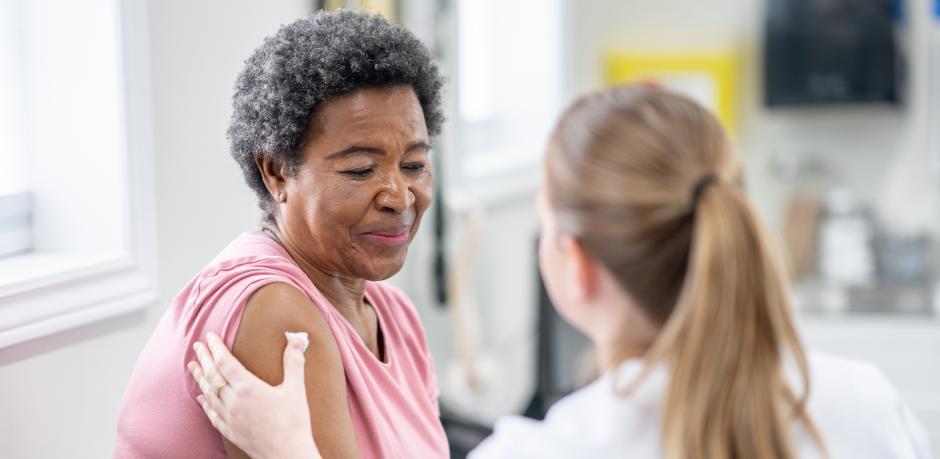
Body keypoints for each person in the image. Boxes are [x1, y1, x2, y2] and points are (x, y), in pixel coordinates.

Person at [188, 85, 934, 458]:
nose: (397, 193)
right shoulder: (864, 402)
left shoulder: (549, 452)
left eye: (415, 163)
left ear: (570, 263)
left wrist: (289, 451)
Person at [115, 10, 448, 459]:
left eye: (414, 165)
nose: (399, 196)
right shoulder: (274, 314)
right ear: (276, 172)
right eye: (361, 169)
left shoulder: (396, 317)